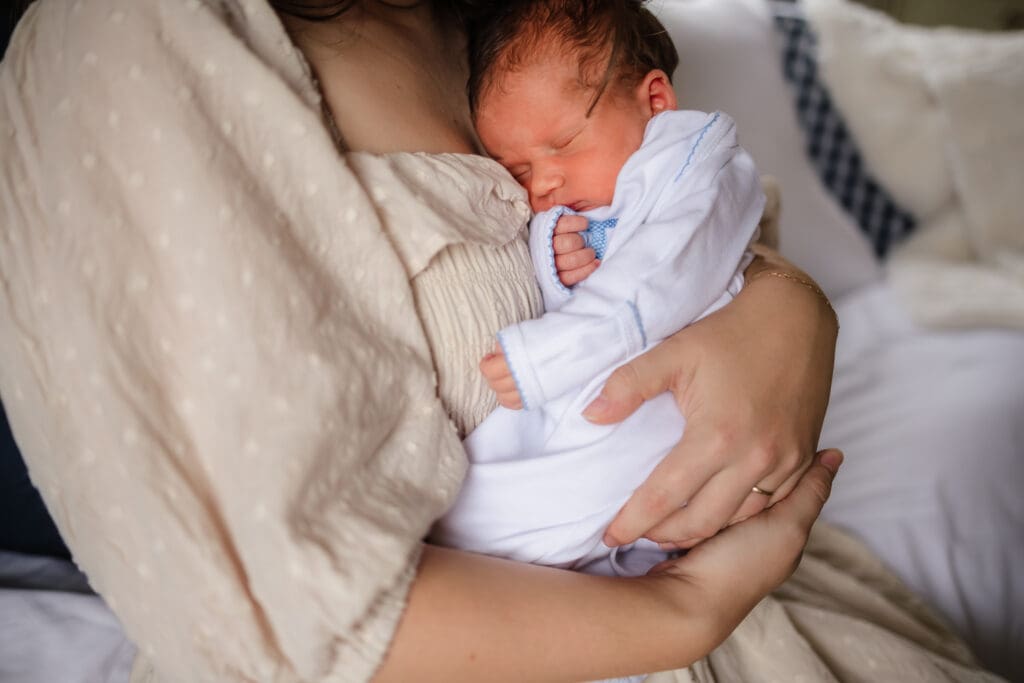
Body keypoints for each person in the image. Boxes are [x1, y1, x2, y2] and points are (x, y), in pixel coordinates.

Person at [0, 1, 1000, 682]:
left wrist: (794, 311)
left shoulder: (505, 26)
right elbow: (279, 616)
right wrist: (681, 611)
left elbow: (690, 223)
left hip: (765, 625)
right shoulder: (133, 37)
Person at [435, 0, 773, 584]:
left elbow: (664, 269)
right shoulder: (595, 196)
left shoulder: (697, 163)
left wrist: (551, 353)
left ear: (656, 102)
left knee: (494, 527)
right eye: (516, 170)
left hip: (666, 402)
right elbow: (584, 272)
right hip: (605, 405)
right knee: (473, 502)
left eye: (563, 143)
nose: (543, 182)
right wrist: (556, 255)